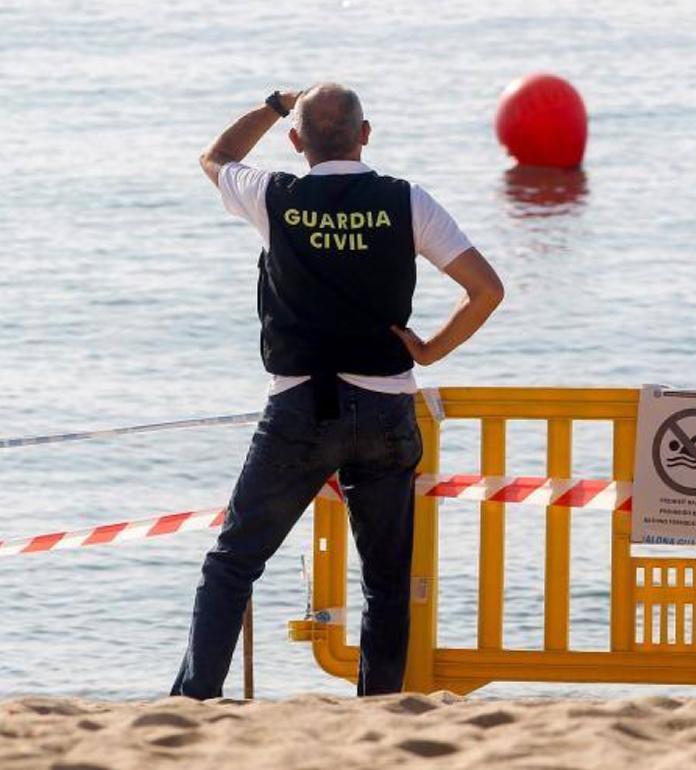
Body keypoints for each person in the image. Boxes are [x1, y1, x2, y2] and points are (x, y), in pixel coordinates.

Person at [171, 83, 503, 699]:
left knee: (233, 562)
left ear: (296, 142)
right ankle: (377, 711)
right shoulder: (405, 202)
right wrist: (430, 350)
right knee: (385, 583)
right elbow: (486, 289)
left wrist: (274, 105)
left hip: (300, 407)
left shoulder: (275, 195)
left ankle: (194, 702)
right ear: (366, 133)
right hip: (385, 408)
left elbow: (214, 157)